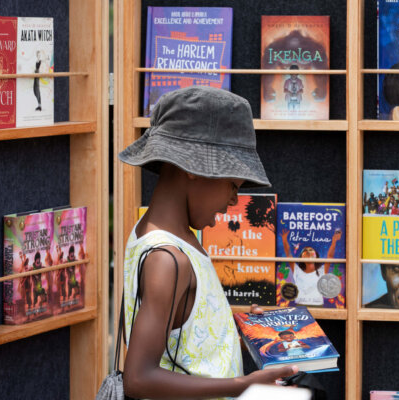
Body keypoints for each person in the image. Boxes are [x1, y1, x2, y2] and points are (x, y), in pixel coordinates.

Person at [118, 86, 297, 399]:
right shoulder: (167, 259)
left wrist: (242, 336)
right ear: (193, 168)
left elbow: (184, 343)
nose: (234, 199)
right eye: (232, 184)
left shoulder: (175, 237)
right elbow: (138, 378)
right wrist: (244, 385)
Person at [280, 228, 342, 306]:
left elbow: (330, 256)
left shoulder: (322, 270)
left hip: (318, 305)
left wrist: (334, 241)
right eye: (305, 251)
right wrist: (284, 240)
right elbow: (288, 255)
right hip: (300, 305)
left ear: (316, 256)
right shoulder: (297, 270)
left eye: (311, 250)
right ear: (301, 258)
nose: (308, 252)